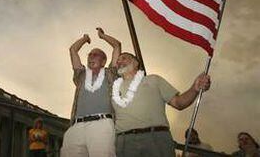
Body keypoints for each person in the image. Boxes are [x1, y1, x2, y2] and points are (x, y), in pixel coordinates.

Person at [112, 51, 211, 157]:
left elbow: (179, 103)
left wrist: (194, 88)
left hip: (155, 139)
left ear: (135, 63)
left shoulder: (154, 80)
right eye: (118, 60)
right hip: (125, 143)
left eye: (124, 58)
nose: (119, 61)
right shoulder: (113, 88)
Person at [60, 28, 120, 157]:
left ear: (104, 61)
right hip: (76, 127)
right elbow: (73, 50)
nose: (91, 57)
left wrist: (103, 36)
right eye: (90, 55)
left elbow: (117, 45)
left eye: (95, 55)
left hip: (102, 125)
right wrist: (84, 39)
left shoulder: (110, 74)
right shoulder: (81, 76)